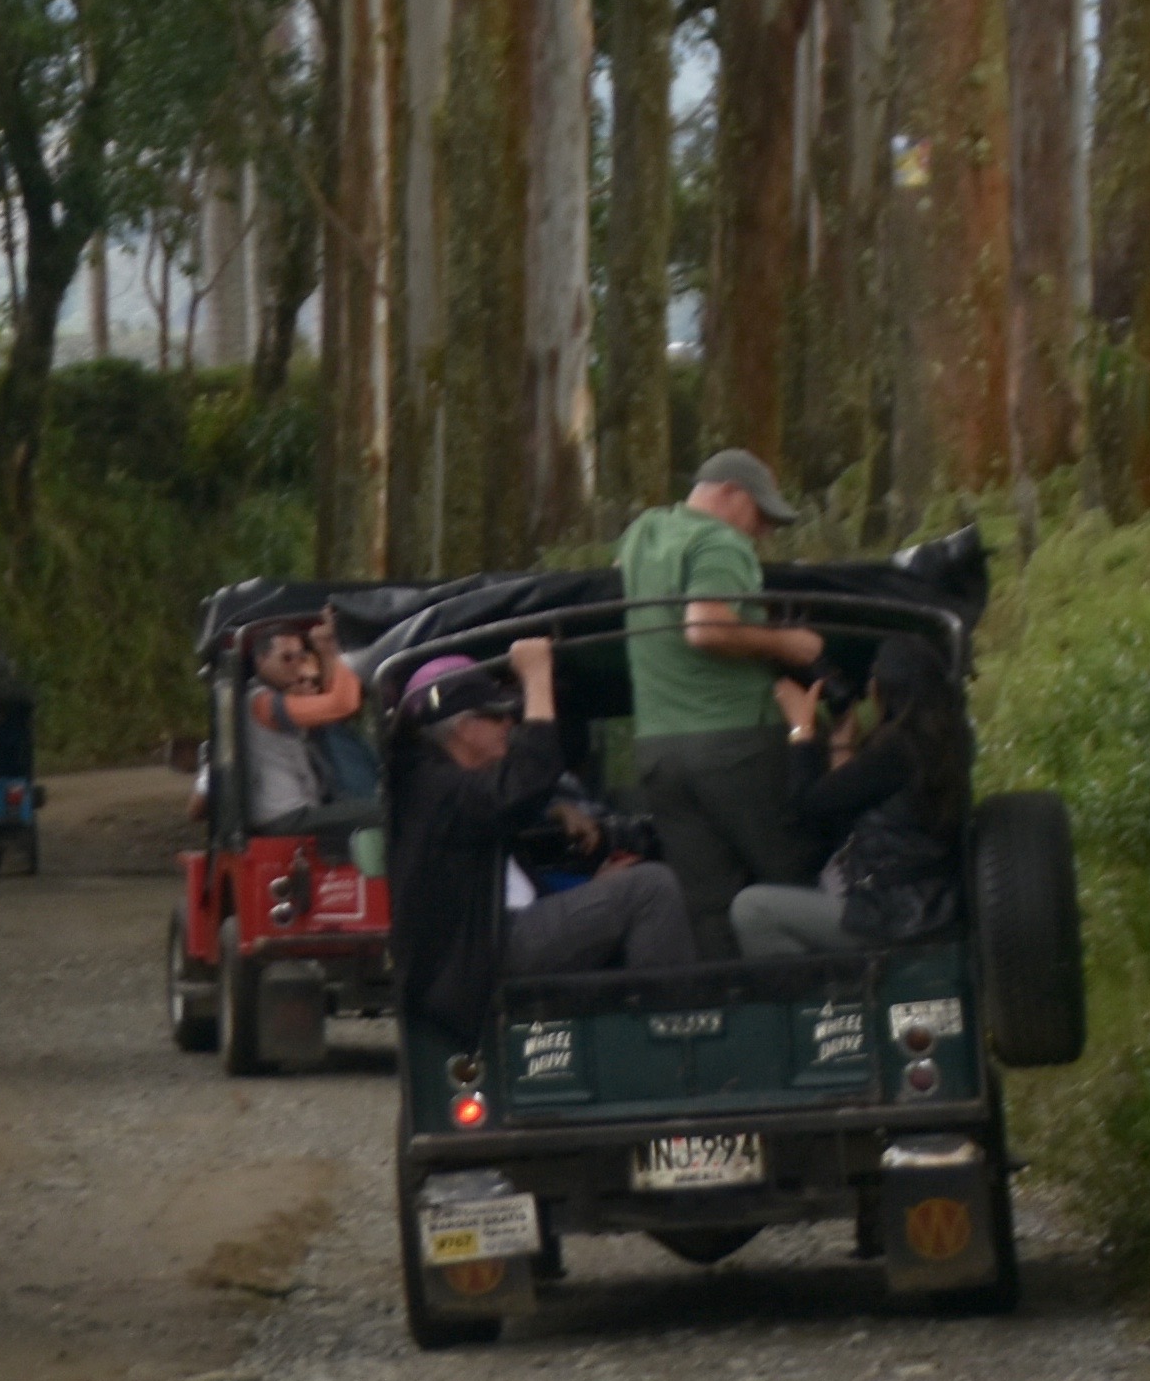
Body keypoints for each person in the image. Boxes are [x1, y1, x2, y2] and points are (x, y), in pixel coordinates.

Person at [390, 636, 696, 1056]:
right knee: (652, 889)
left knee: (630, 881)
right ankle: (669, 1049)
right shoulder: (437, 788)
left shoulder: (442, 785)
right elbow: (528, 778)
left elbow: (513, 806)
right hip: (487, 950)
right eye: (497, 717)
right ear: (464, 728)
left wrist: (580, 865)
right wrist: (536, 679)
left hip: (496, 935)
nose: (509, 725)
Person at [613, 447, 830, 953]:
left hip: (658, 751)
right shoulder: (720, 541)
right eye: (763, 516)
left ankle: (730, 1015)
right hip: (735, 744)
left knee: (707, 903)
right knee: (790, 875)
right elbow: (705, 628)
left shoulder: (645, 532)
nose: (764, 534)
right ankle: (814, 1012)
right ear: (731, 494)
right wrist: (788, 645)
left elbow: (622, 569)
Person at [726, 633, 973, 958]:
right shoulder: (941, 746)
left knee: (752, 908)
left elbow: (806, 807)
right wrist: (842, 742)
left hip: (889, 913)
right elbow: (846, 802)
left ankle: (811, 1000)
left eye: (874, 677)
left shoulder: (897, 750)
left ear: (889, 685)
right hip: (922, 906)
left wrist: (801, 731)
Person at [237, 614, 373, 826]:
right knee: (387, 812)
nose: (296, 665)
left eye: (300, 657)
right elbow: (342, 704)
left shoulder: (278, 697)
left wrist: (326, 650)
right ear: (261, 661)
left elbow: (332, 706)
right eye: (286, 658)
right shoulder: (261, 702)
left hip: (302, 810)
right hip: (286, 817)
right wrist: (346, 648)